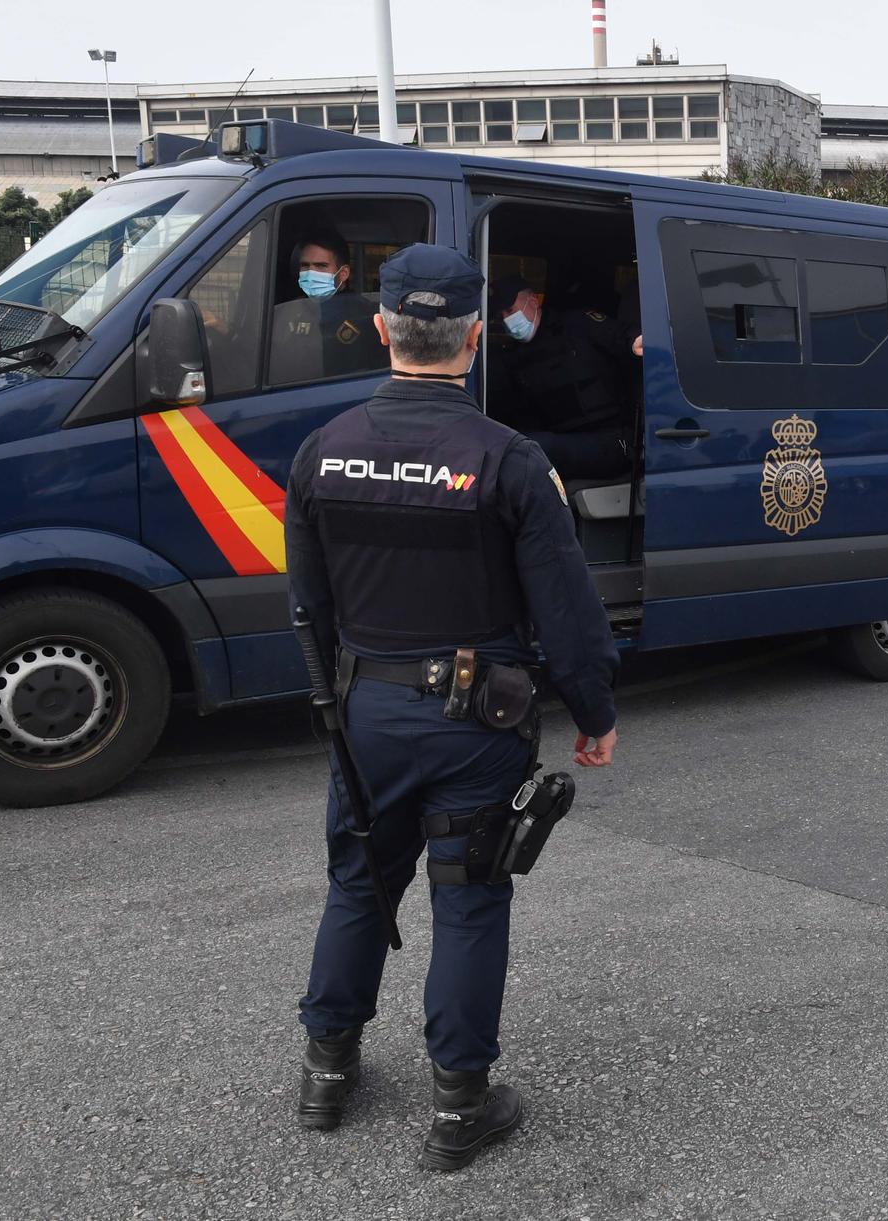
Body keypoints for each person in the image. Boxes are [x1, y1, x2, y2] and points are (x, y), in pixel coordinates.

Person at [285, 244, 621, 1170]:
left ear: (384, 329)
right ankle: (459, 1107)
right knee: (469, 901)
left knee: (359, 882)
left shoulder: (322, 450)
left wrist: (331, 706)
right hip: (479, 722)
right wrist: (595, 711)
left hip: (365, 715)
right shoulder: (510, 460)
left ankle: (325, 1071)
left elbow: (307, 606)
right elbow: (567, 608)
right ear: (475, 338)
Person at [487, 274, 642, 480]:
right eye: (500, 315)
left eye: (510, 310)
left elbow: (619, 335)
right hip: (562, 440)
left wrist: (633, 341)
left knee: (531, 449)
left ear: (533, 301)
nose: (506, 320)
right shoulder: (512, 358)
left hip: (612, 439)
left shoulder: (577, 325)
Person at [271, 232, 381, 381]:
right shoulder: (287, 311)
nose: (311, 273)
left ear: (343, 273)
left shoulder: (366, 316)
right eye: (305, 266)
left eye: (321, 266)